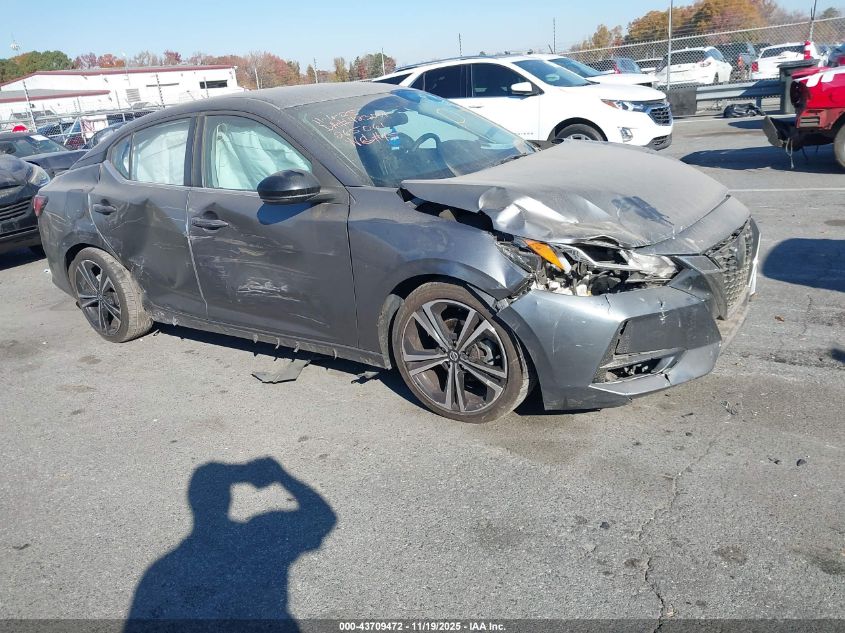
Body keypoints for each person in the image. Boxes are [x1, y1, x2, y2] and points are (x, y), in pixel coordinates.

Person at [126, 457, 336, 632]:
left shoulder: (160, 571)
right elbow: (323, 516)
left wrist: (247, 473)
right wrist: (280, 475)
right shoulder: (259, 535)